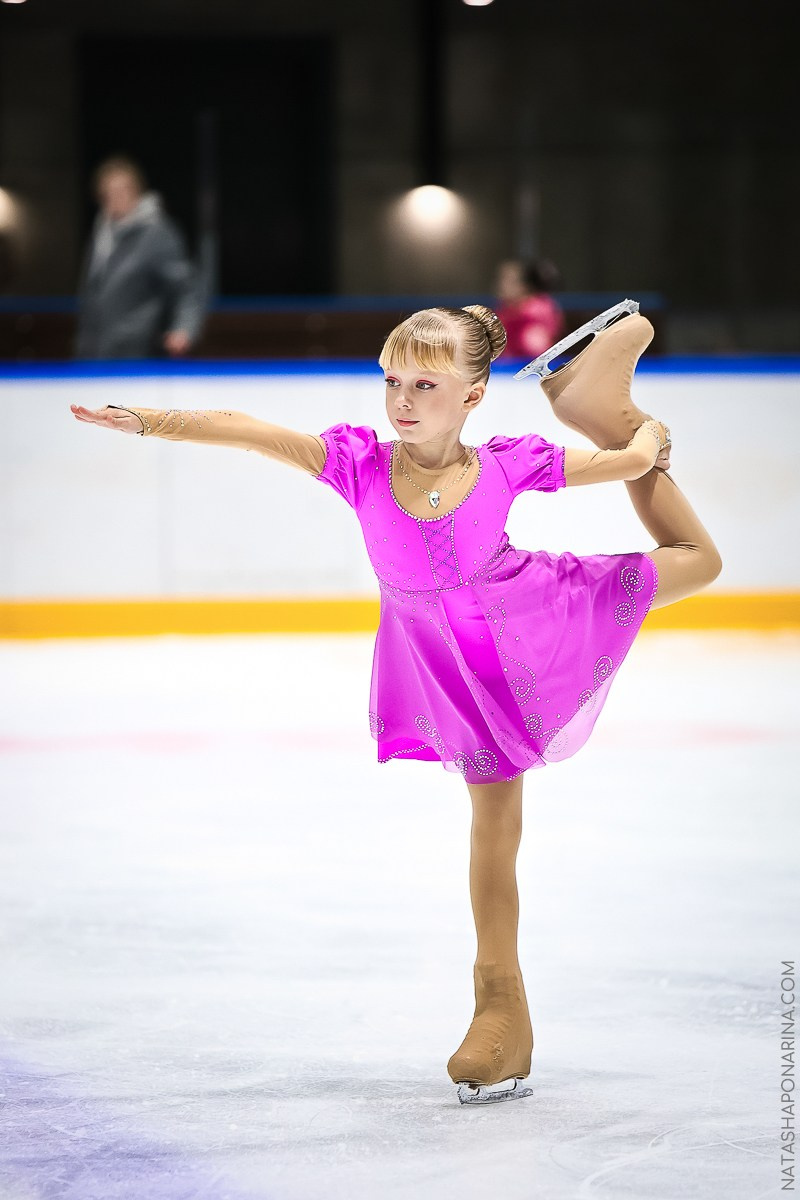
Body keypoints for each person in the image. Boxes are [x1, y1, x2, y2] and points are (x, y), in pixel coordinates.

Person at [69, 302, 721, 1105]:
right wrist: (148, 421)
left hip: (534, 621)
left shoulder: (508, 465)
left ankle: (595, 400)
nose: (402, 401)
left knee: (699, 560)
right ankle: (498, 1010)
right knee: (493, 827)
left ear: (473, 397)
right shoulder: (360, 466)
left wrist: (642, 434)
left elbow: (625, 467)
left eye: (424, 383)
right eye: (391, 381)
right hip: (451, 669)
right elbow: (246, 428)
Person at [75, 156, 204, 360]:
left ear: (137, 192)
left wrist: (184, 329)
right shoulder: (101, 235)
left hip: (139, 356)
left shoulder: (157, 233)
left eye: (122, 190)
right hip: (96, 355)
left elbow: (185, 288)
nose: (115, 197)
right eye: (108, 192)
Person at [495, 258, 565, 360]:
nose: (502, 285)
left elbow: (538, 350)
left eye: (510, 281)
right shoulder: (503, 311)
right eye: (500, 279)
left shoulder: (539, 310)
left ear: (525, 285)